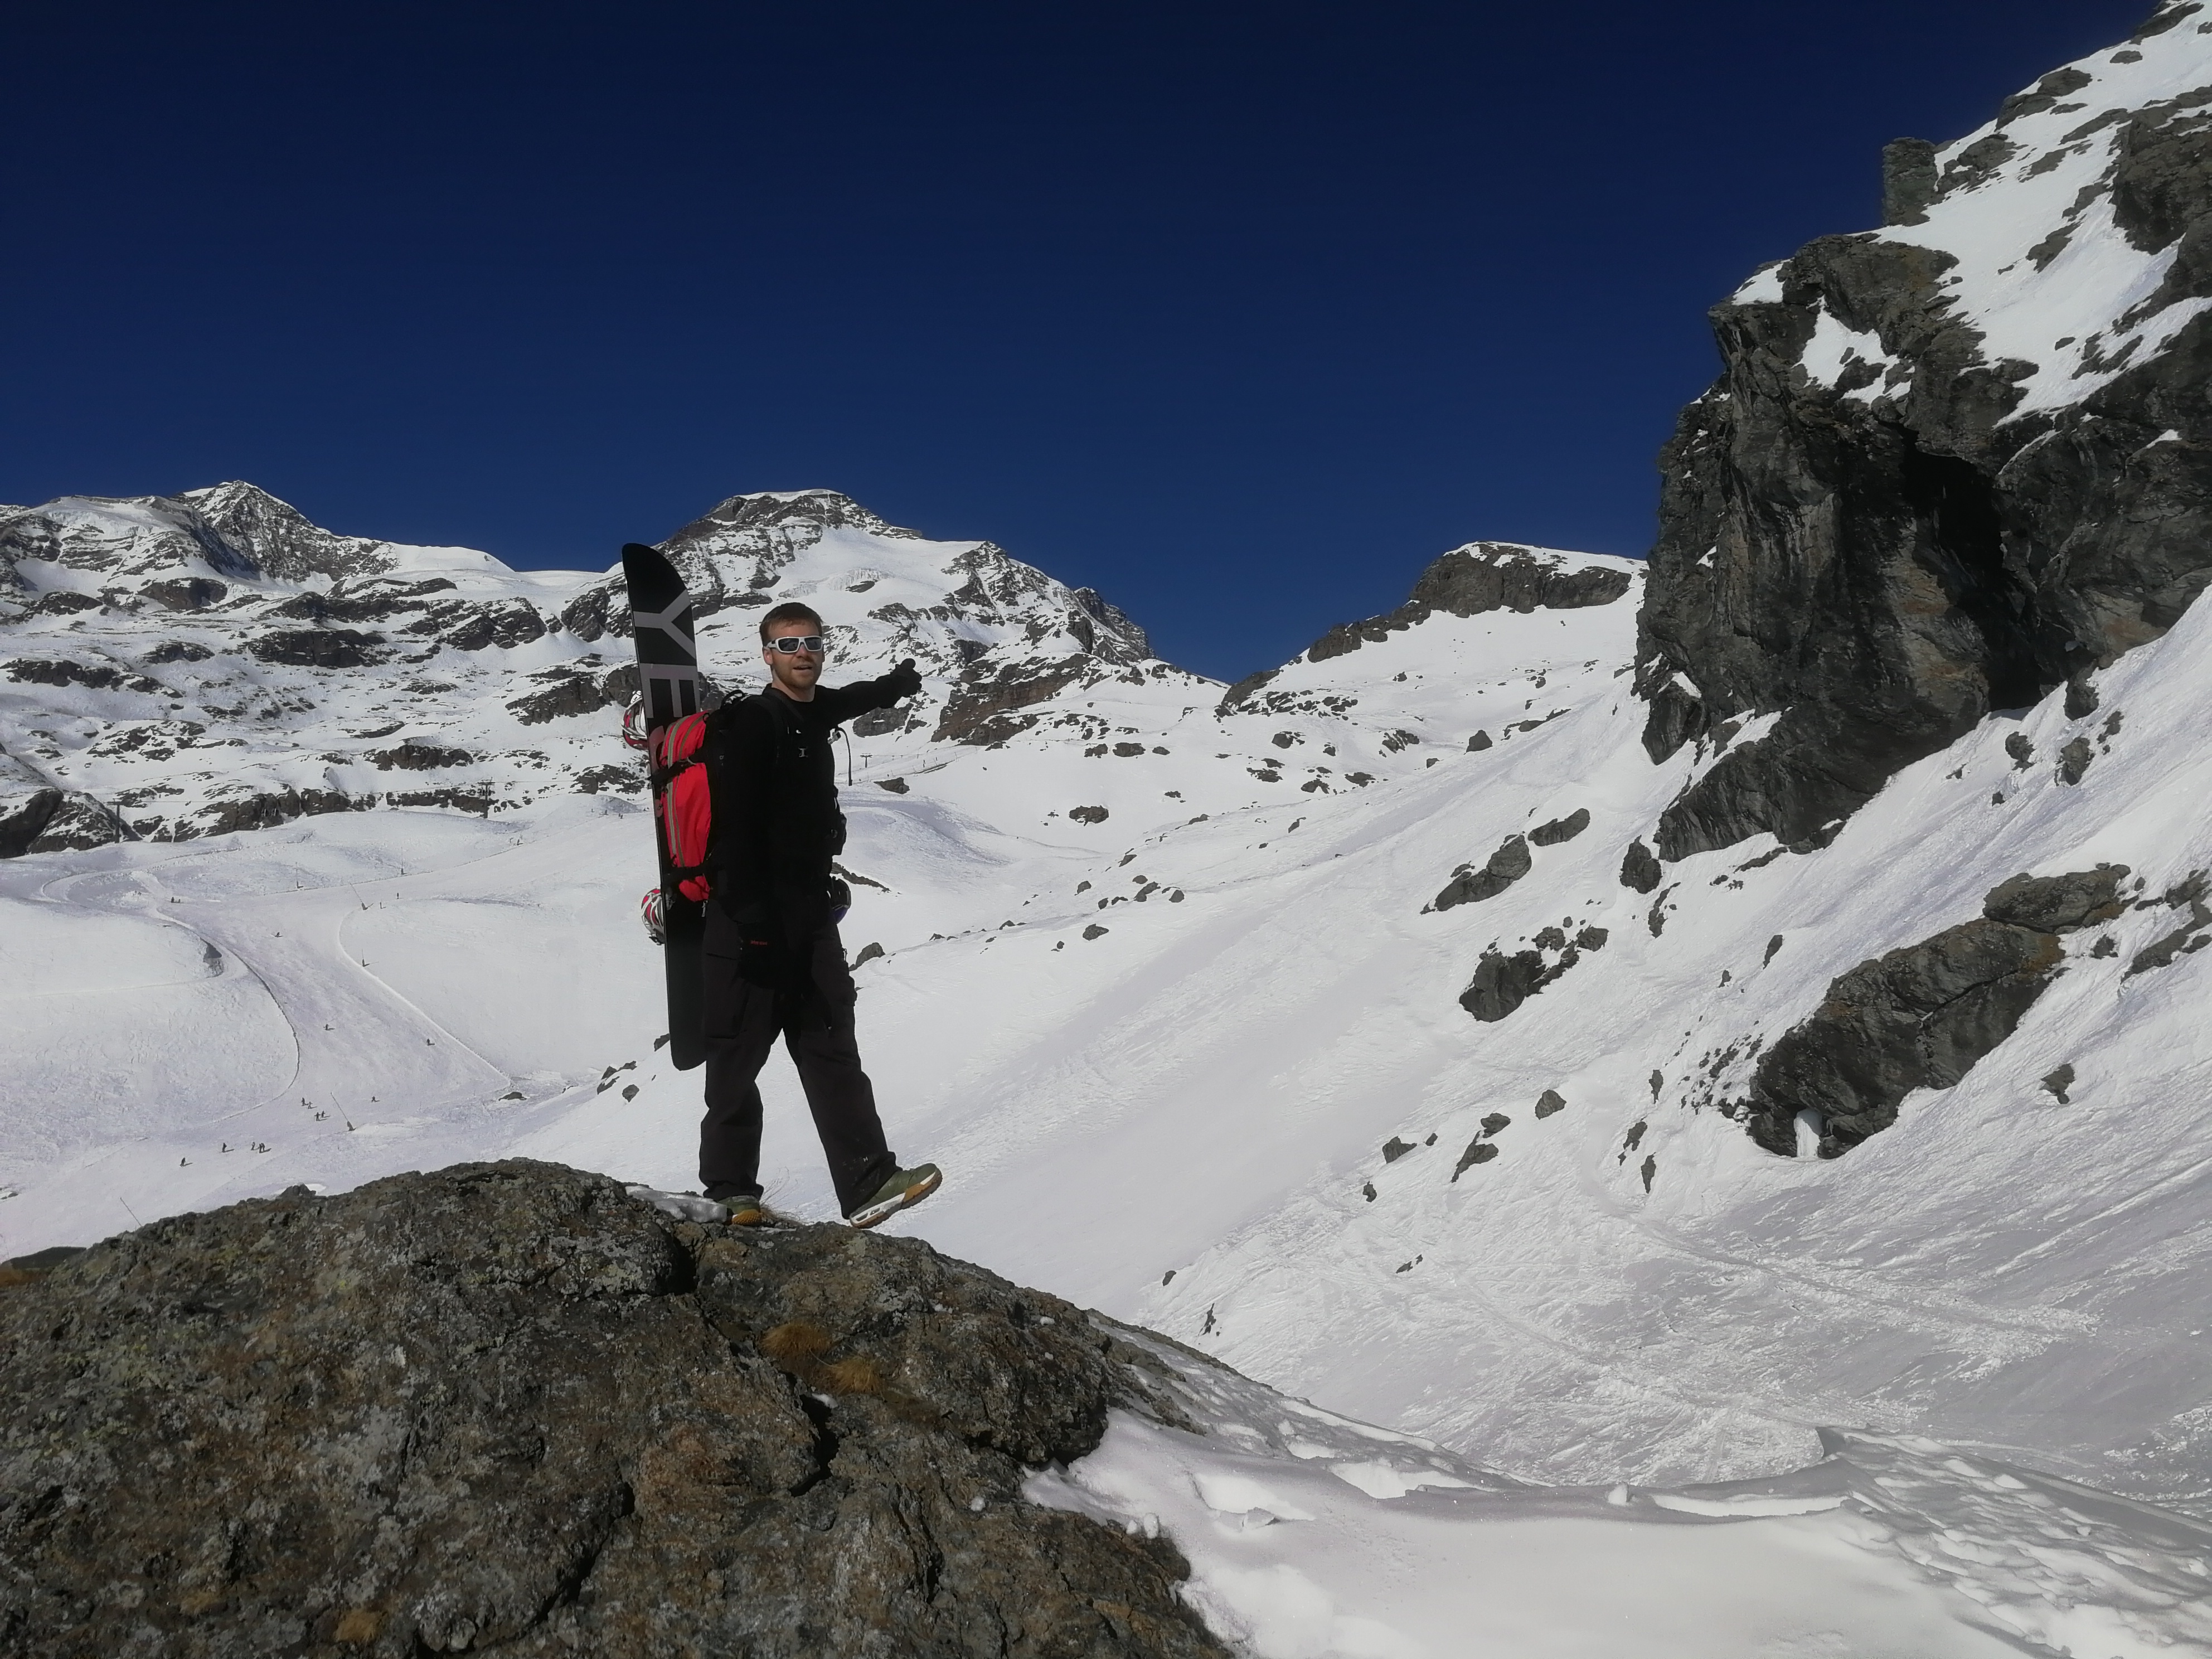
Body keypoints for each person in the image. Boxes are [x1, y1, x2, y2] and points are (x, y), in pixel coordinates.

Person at [696, 603, 938, 1228]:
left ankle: (868, 1183)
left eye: (811, 643)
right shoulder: (754, 723)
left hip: (809, 917)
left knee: (831, 1048)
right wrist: (752, 923)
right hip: (748, 919)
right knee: (738, 1058)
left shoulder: (815, 711)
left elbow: (851, 699)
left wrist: (894, 685)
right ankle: (729, 1192)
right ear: (767, 655)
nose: (802, 653)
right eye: (788, 645)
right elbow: (734, 828)